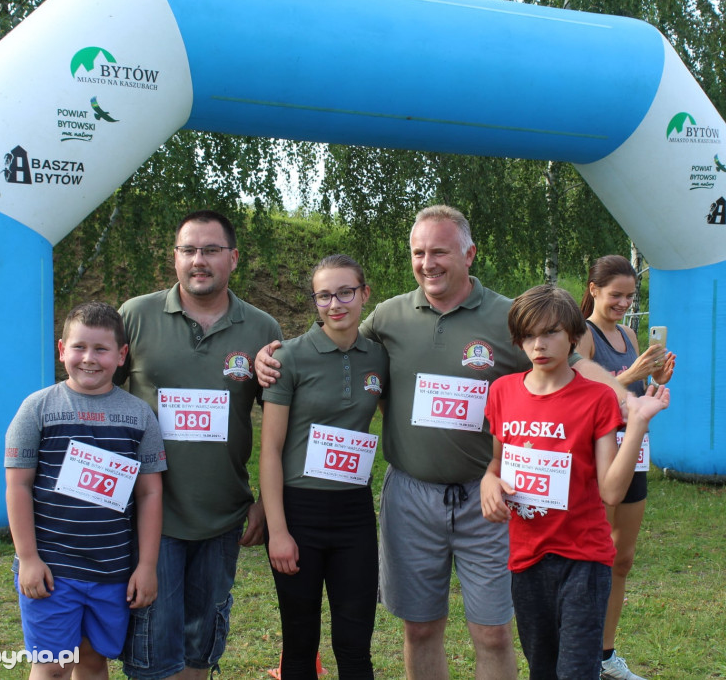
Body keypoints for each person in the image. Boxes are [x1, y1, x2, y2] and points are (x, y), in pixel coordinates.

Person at [258, 205, 623, 679]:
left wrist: (620, 394)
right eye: (418, 252)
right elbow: (337, 339)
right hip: (411, 494)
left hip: (487, 496)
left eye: (439, 252)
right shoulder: (389, 316)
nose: (427, 262)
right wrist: (274, 356)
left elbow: (572, 362)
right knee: (421, 629)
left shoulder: (505, 315)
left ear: (469, 254)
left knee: (493, 631)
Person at [116, 210, 283, 680]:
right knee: (151, 643)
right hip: (150, 511)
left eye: (210, 250)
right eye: (188, 250)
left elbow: (279, 425)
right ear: (175, 258)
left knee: (200, 645)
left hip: (222, 514)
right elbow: (98, 399)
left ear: (233, 258)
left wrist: (266, 505)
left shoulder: (262, 329)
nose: (198, 260)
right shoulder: (135, 315)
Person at [481, 285, 670, 680]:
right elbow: (496, 463)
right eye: (529, 335)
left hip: (583, 559)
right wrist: (488, 483)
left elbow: (612, 491)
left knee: (577, 672)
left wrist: (636, 422)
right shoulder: (501, 392)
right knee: (543, 670)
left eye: (550, 333)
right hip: (526, 558)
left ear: (572, 335)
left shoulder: (597, 399)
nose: (539, 344)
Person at [5, 301, 166, 680]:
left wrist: (145, 566)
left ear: (122, 354)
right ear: (62, 350)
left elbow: (150, 494)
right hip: (51, 570)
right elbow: (18, 484)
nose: (89, 359)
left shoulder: (139, 415)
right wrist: (27, 557)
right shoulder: (37, 408)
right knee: (53, 666)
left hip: (111, 571)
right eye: (79, 347)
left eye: (101, 349)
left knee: (94, 661)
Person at [259, 254, 388, 679]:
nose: (336, 304)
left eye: (345, 292)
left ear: (364, 294)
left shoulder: (379, 357)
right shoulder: (289, 358)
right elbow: (271, 451)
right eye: (324, 295)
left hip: (353, 514)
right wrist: (278, 531)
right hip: (300, 513)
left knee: (355, 646)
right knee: (299, 644)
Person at [576, 255, 675, 680]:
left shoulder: (631, 335)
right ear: (594, 289)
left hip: (635, 452)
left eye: (630, 296)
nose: (623, 303)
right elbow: (581, 395)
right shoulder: (580, 335)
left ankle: (605, 653)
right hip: (598, 457)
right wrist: (632, 371)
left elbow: (630, 394)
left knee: (622, 556)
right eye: (616, 295)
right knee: (594, 557)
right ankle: (580, 654)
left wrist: (656, 380)